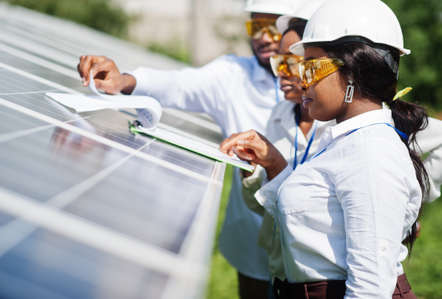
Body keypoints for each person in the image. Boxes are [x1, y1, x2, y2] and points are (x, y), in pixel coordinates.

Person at [220, 0, 440, 297]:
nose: (300, 79)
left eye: (309, 67)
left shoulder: (371, 154)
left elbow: (370, 288)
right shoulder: (346, 140)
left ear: (352, 72)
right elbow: (311, 217)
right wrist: (274, 164)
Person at [76, 1, 294, 298]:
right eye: (256, 26)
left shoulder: (323, 89)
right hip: (252, 239)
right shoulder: (233, 75)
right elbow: (178, 84)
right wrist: (123, 81)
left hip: (305, 248)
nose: (264, 37)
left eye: (274, 27)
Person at [221, 0, 330, 286]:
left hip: (320, 276)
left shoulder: (340, 124)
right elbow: (265, 207)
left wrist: (406, 213)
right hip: (281, 270)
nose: (280, 71)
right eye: (278, 61)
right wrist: (252, 173)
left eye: (290, 62)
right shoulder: (281, 113)